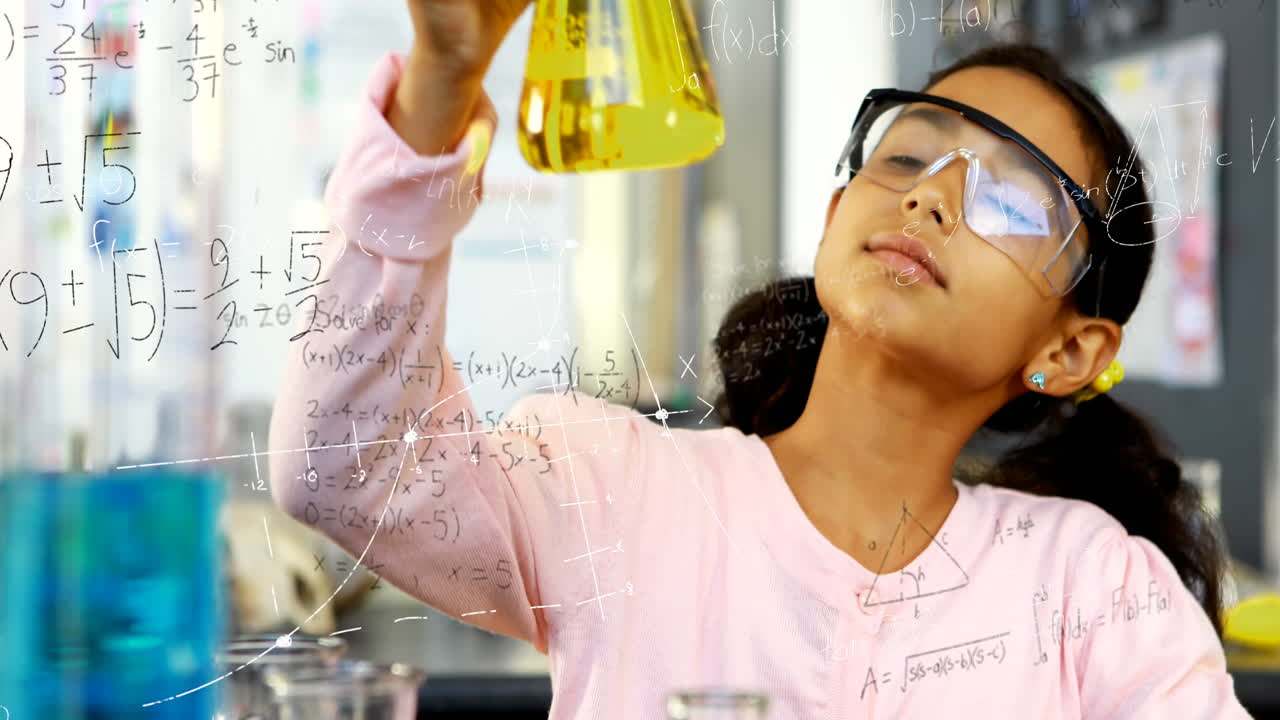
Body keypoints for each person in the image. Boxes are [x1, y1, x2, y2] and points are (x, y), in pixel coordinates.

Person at [268, 1, 1252, 716]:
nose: (929, 197)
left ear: (1068, 348)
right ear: (835, 216)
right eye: (907, 156)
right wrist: (439, 85)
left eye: (1007, 200)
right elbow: (344, 473)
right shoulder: (614, 485)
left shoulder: (1095, 591)